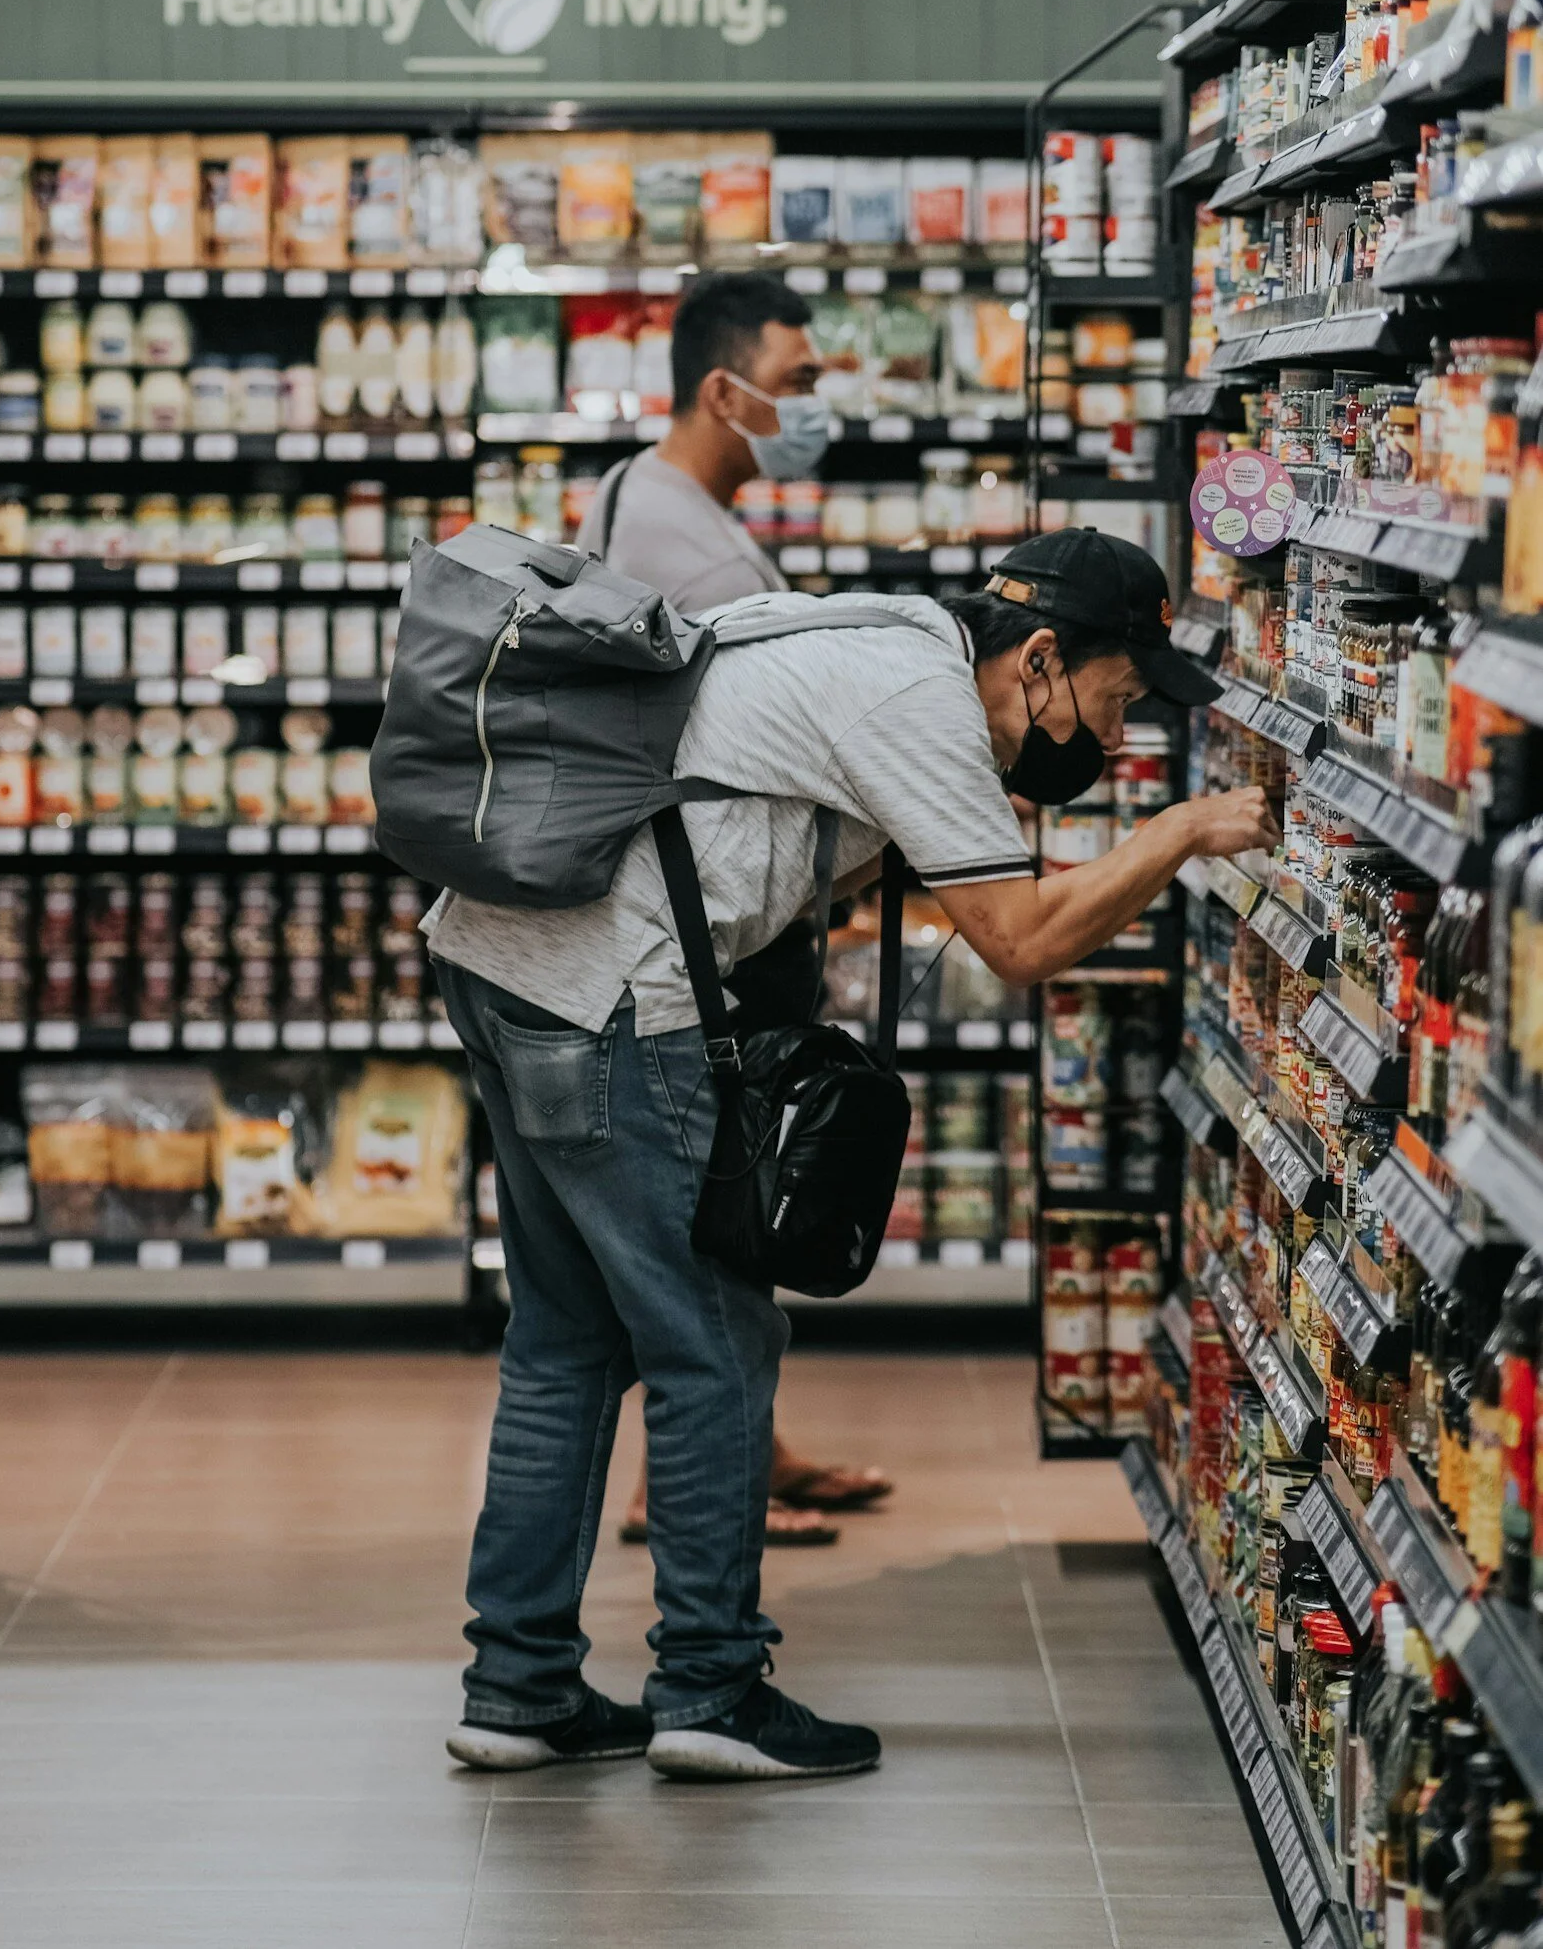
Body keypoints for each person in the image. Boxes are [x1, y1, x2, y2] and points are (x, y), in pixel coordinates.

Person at [432, 521, 1275, 1783]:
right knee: (713, 1346)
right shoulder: (918, 699)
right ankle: (709, 1689)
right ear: (1039, 659)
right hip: (613, 1003)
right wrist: (1176, 834)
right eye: (1116, 699)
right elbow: (1022, 940)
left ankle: (518, 1688)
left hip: (501, 965)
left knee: (566, 1340)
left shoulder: (881, 629)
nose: (1113, 739)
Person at [580, 272, 893, 1550]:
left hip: (660, 912)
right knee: (724, 1212)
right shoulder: (699, 546)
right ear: (727, 389)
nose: (815, 405)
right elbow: (770, 750)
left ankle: (749, 1451)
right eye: (801, 380)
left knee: (711, 1219)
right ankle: (696, 1490)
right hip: (703, 932)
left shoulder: (636, 491)